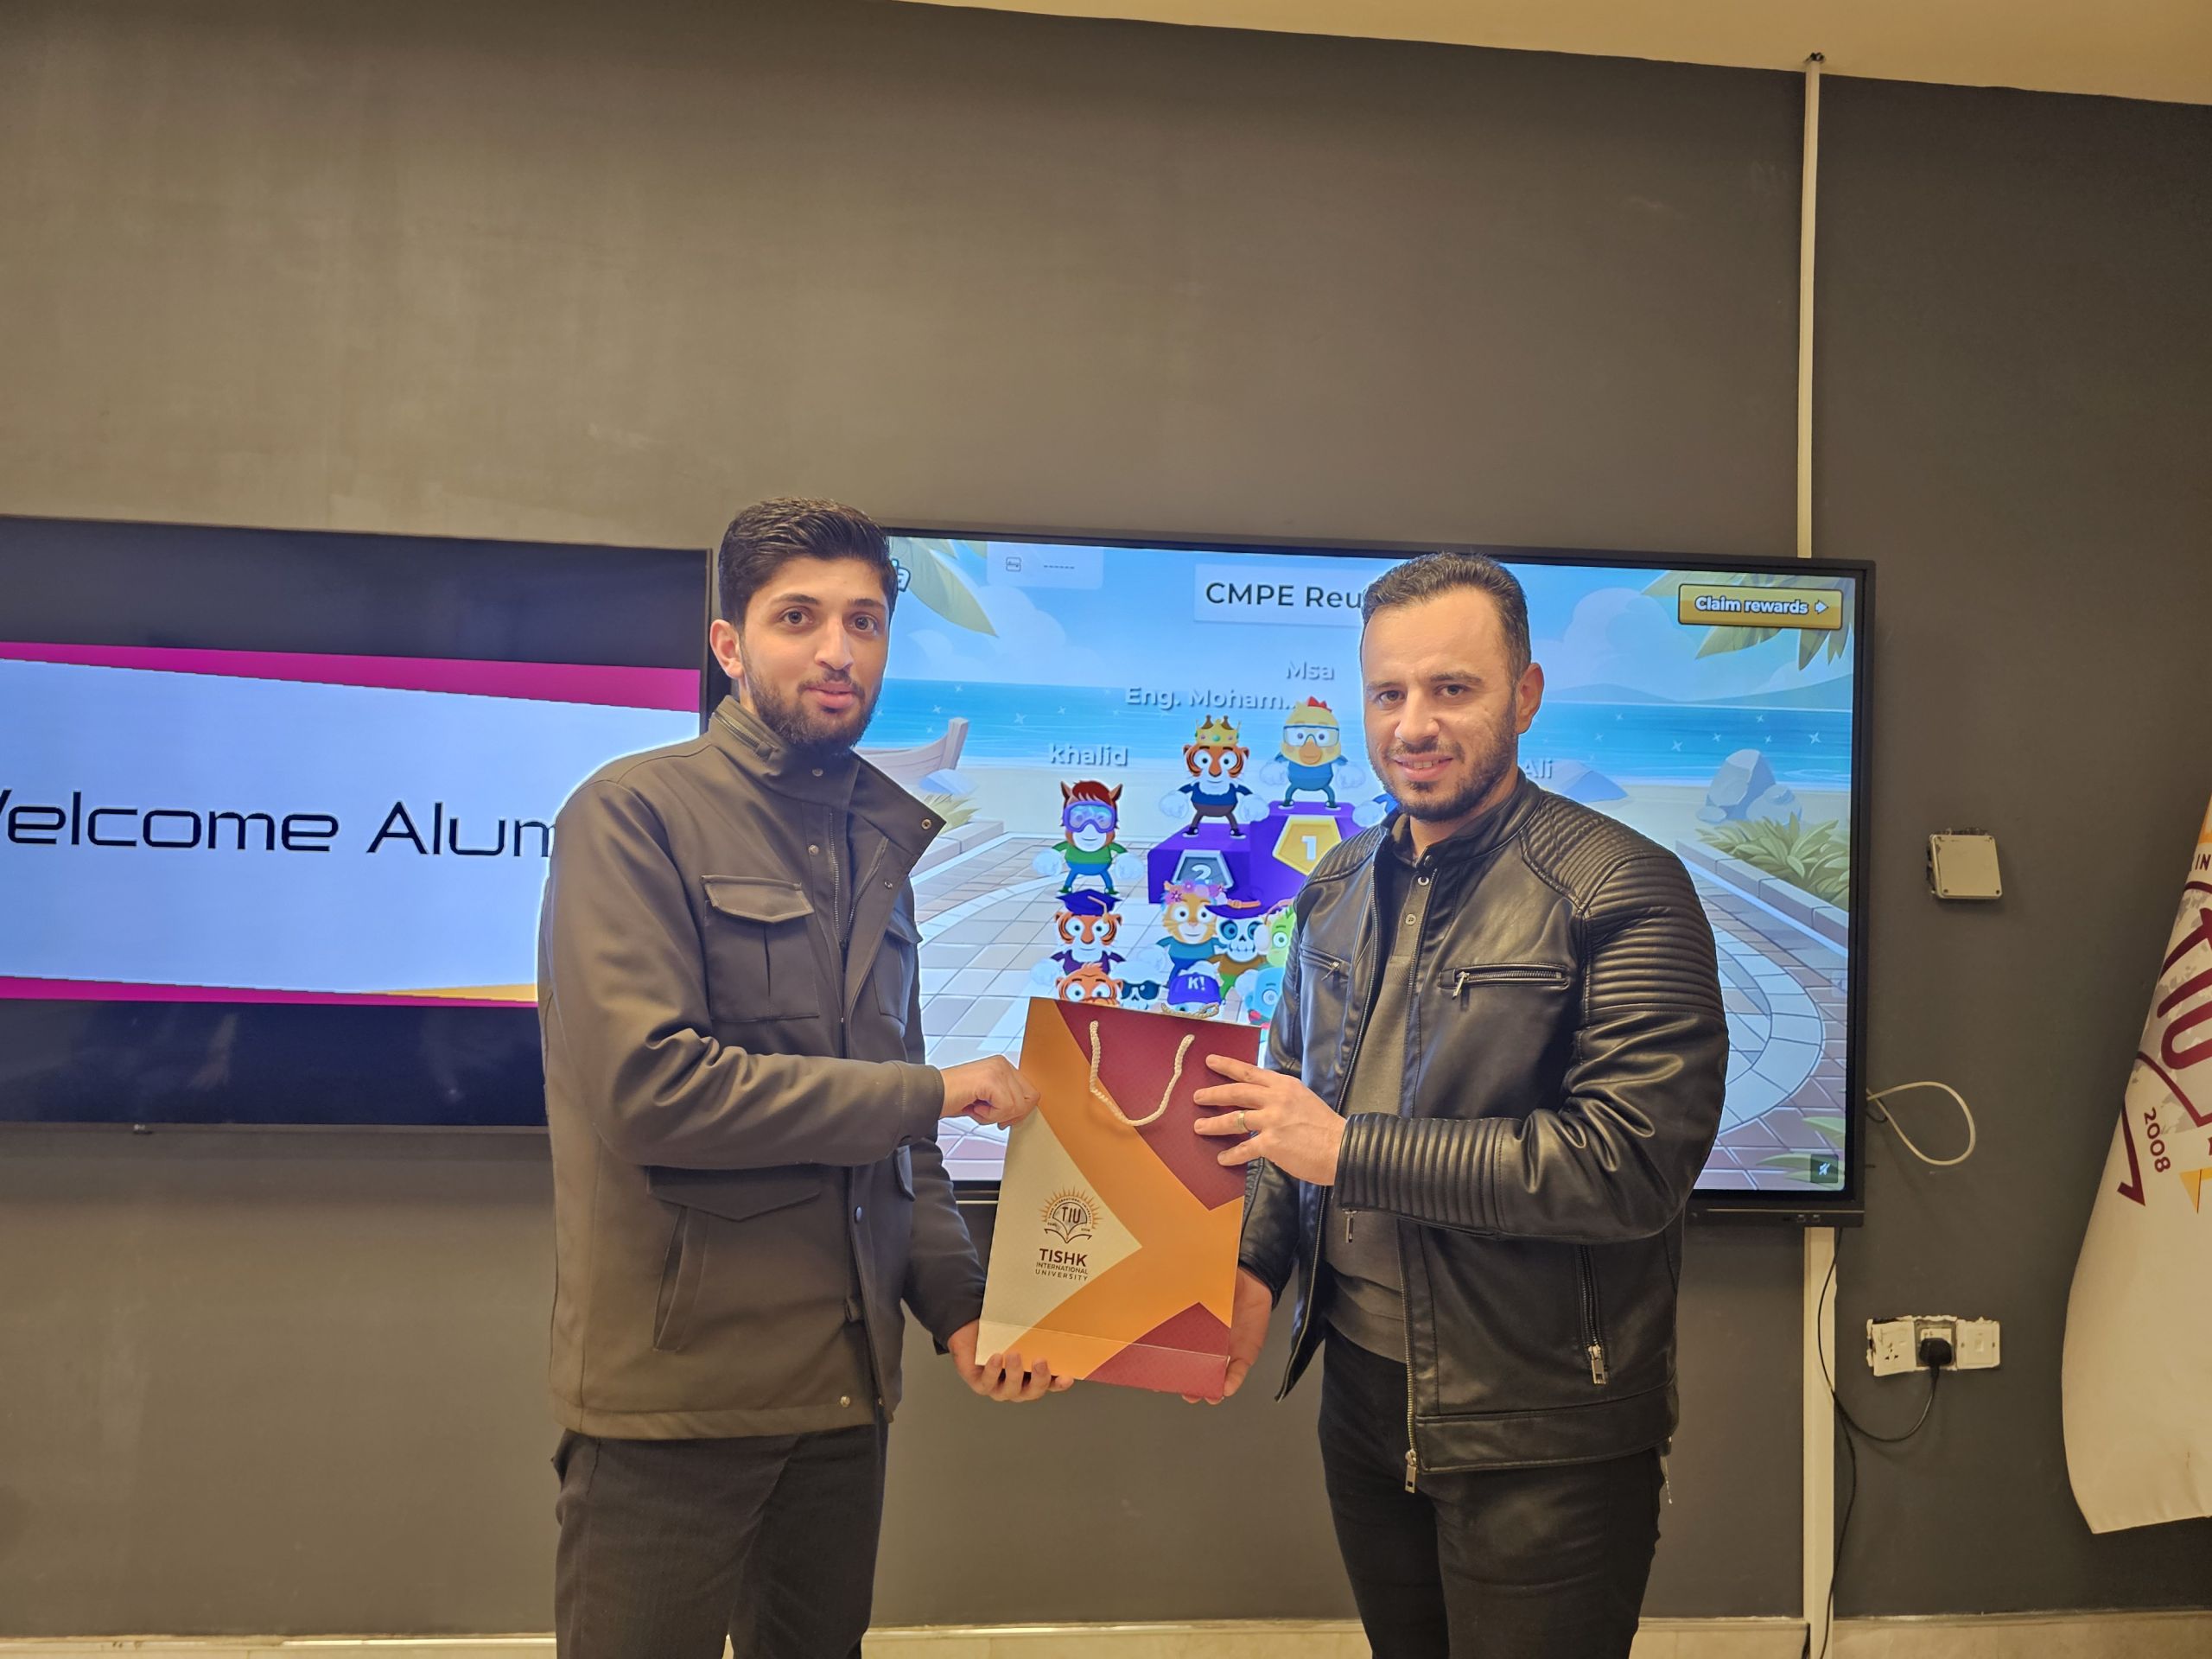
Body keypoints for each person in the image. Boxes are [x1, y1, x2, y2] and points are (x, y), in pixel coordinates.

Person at [537, 499, 1065, 1659]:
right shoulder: (632, 815)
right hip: (675, 1402)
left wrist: (961, 1308)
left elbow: (902, 1131)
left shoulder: (881, 844)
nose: (837, 650)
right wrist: (932, 1092)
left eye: (863, 622)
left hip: (842, 1398)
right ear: (729, 645)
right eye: (798, 618)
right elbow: (652, 1093)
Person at [1192, 550, 1728, 1659]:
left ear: (1524, 695)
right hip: (1361, 1398)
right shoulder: (1335, 883)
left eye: (1452, 688)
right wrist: (1250, 1268)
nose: (1414, 725)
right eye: (1387, 693)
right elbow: (1279, 1115)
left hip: (1544, 1428)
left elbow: (1629, 1165)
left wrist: (1353, 1152)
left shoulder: (1623, 886)